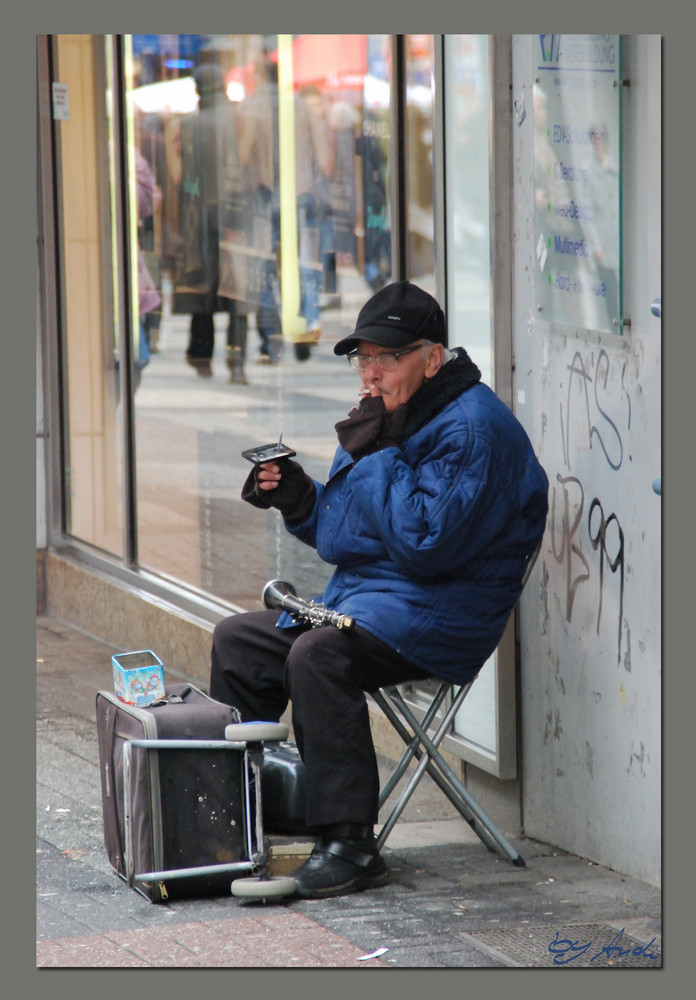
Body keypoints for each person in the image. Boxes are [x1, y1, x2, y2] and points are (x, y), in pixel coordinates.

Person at [210, 281, 549, 899]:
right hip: (372, 604)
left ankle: (350, 845)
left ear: (432, 358)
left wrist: (380, 452)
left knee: (317, 655)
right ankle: (234, 816)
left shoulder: (473, 431)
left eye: (387, 358)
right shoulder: (388, 419)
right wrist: (299, 496)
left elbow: (426, 545)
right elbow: (348, 535)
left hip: (442, 615)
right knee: (238, 641)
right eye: (362, 358)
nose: (370, 373)